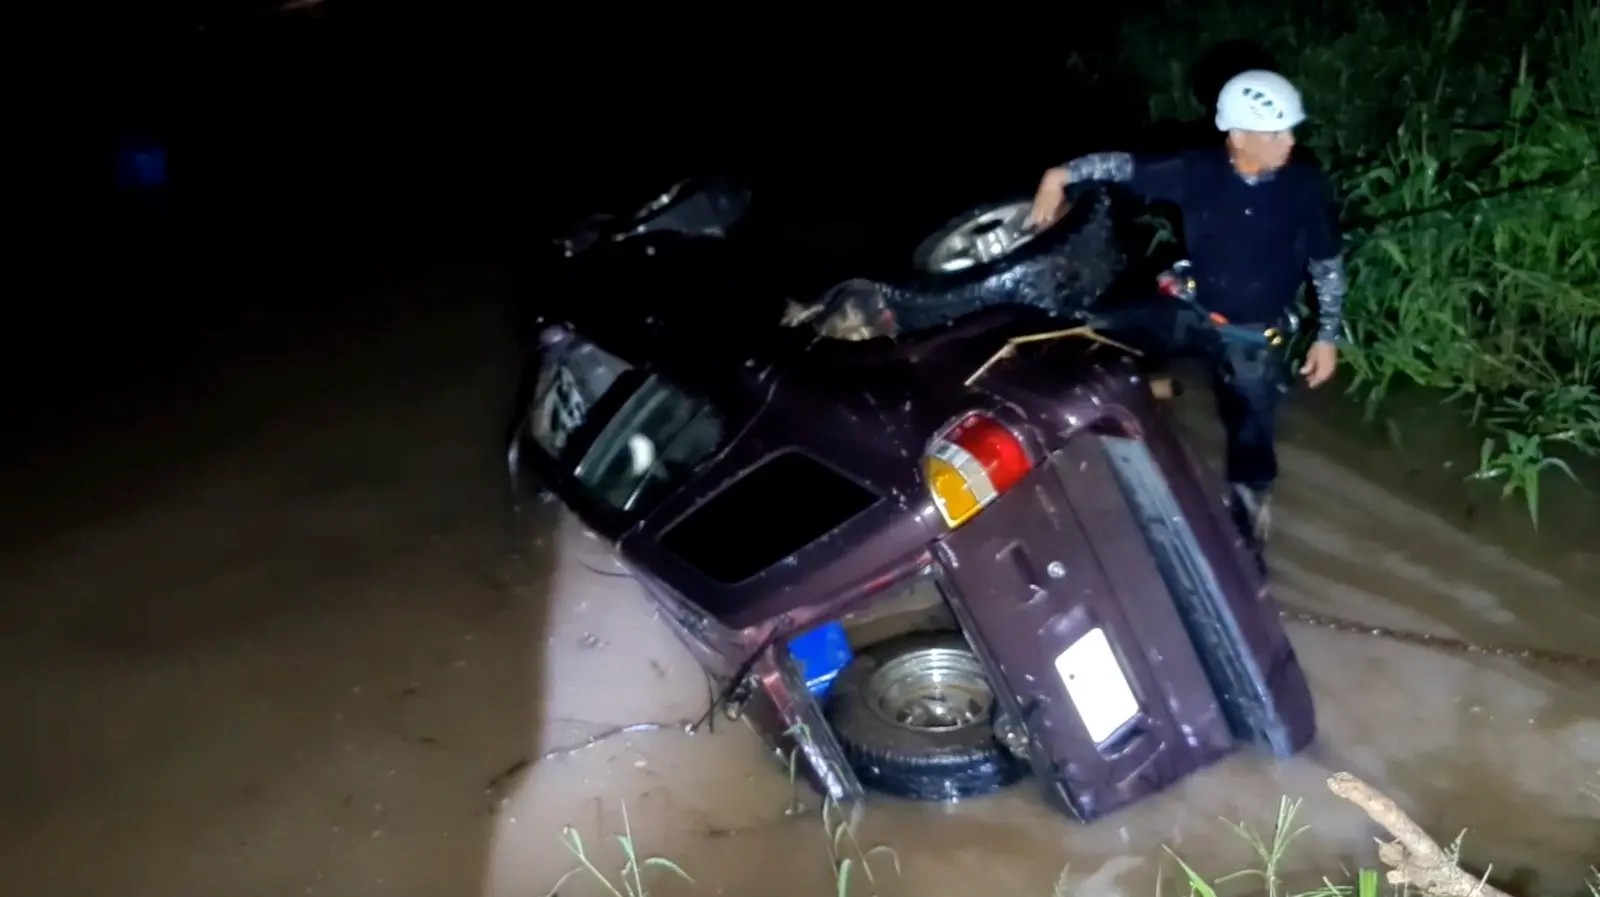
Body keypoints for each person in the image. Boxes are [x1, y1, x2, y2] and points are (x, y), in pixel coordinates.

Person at [1028, 69, 1347, 549]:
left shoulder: (1304, 184)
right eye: (1276, 132)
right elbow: (1121, 166)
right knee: (1088, 328)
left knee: (1252, 448)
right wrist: (1058, 177)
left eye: (1289, 130)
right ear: (1237, 136)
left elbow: (1327, 264)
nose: (1289, 141)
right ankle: (1117, 412)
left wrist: (1327, 335)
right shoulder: (1195, 170)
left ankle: (1247, 545)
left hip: (1253, 338)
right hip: (1189, 309)